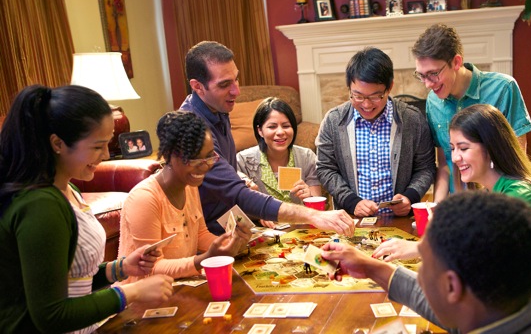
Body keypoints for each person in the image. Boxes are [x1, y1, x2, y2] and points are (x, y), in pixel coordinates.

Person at [0, 85, 173, 333]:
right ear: (58, 143)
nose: (105, 154)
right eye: (96, 146)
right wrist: (131, 292)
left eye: (108, 144)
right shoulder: (41, 206)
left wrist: (120, 268)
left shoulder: (68, 190)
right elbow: (51, 315)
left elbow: (69, 281)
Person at [321, 191, 531, 333]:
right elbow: (455, 307)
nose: (420, 275)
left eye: (424, 263)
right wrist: (369, 265)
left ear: (452, 287)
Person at [179, 41, 354, 236]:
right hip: (206, 236)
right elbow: (236, 193)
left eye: (236, 79)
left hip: (230, 227)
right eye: (224, 84)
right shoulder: (193, 130)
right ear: (197, 87)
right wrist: (313, 215)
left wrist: (240, 177)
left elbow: (225, 178)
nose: (236, 91)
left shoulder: (218, 107)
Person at [449, 104, 531, 296]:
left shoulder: (521, 194)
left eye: (463, 148)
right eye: (452, 148)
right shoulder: (491, 191)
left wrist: (420, 249)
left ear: (491, 147)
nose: (455, 157)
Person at [119, 111, 252, 282]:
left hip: (179, 285)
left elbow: (201, 235)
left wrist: (232, 243)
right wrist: (205, 258)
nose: (204, 167)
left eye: (209, 156)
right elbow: (151, 269)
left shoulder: (190, 185)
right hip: (142, 297)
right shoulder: (144, 198)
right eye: (194, 159)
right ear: (168, 155)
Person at [411, 24, 531, 202]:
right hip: (460, 206)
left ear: (456, 62)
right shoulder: (433, 101)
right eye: (421, 75)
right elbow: (445, 164)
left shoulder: (504, 88)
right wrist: (437, 208)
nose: (427, 84)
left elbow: (518, 159)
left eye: (433, 73)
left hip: (501, 202)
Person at [316, 47, 436, 217]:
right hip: (351, 219)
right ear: (349, 87)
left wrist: (410, 197)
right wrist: (352, 201)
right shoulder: (334, 120)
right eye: (357, 96)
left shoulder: (412, 120)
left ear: (389, 87)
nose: (366, 105)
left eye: (375, 97)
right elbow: (325, 168)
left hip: (400, 220)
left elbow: (426, 168)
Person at [237, 97, 320, 208]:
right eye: (272, 127)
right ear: (260, 131)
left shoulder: (306, 157)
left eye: (286, 126)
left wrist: (309, 197)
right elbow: (237, 209)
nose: (280, 132)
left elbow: (317, 208)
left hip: (300, 223)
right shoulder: (243, 161)